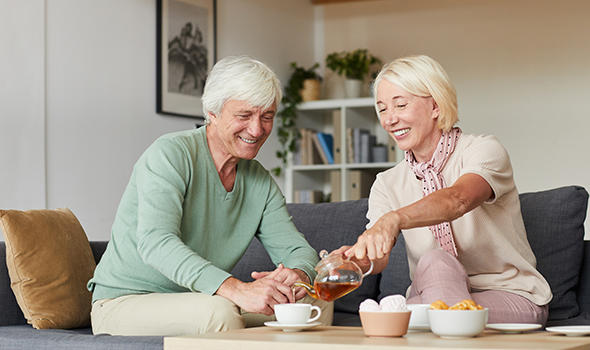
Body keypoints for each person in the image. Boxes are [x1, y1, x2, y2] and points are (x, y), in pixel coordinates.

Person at [88, 56, 332, 336]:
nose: (257, 129)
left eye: (267, 117)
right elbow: (156, 242)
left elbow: (297, 250)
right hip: (127, 301)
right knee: (219, 312)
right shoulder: (170, 155)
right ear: (212, 112)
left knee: (313, 300)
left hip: (200, 298)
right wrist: (237, 289)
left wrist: (298, 274)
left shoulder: (259, 181)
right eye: (244, 115)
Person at [339, 55, 552, 324]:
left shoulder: (483, 151)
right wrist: (355, 261)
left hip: (506, 296)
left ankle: (424, 317)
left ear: (435, 106)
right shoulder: (387, 182)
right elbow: (378, 258)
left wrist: (394, 219)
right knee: (434, 274)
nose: (390, 119)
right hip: (433, 293)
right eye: (382, 109)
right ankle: (435, 318)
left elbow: (458, 199)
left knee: (428, 282)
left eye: (400, 105)